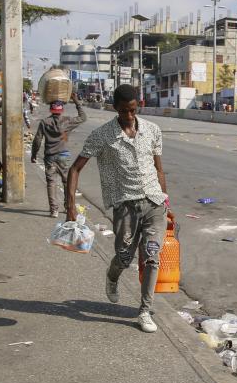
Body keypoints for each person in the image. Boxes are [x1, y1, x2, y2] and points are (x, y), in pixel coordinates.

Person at [65, 84, 168, 334]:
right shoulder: (102, 135)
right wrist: (69, 206)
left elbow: (158, 169)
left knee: (152, 257)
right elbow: (74, 169)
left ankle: (144, 311)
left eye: (133, 110)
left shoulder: (153, 130)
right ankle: (112, 277)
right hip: (125, 206)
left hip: (155, 204)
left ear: (138, 106)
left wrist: (167, 201)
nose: (129, 116)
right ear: (115, 108)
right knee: (124, 256)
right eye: (124, 111)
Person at [31, 94, 88, 217]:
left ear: (51, 109)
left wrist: (34, 154)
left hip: (50, 157)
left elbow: (37, 140)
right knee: (67, 182)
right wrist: (76, 101)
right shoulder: (67, 121)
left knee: (51, 183)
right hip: (63, 156)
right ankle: (68, 207)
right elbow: (83, 117)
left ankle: (54, 210)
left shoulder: (44, 122)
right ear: (61, 110)